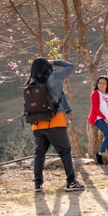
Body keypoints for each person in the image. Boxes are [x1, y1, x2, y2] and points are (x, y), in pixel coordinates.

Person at [27, 58, 84, 192]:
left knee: (39, 154)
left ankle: (37, 184)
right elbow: (71, 66)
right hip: (55, 122)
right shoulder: (54, 78)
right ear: (46, 66)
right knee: (65, 152)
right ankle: (71, 182)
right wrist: (53, 62)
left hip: (37, 124)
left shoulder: (31, 83)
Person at [88, 76, 108, 165]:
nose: (101, 85)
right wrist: (104, 118)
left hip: (106, 119)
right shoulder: (95, 93)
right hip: (98, 118)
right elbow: (95, 109)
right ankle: (99, 154)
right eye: (100, 83)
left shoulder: (107, 95)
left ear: (107, 85)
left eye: (104, 83)